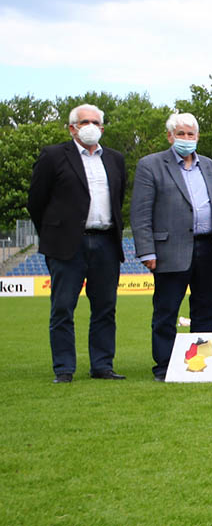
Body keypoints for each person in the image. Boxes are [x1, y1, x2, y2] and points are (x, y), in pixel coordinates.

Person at [131, 113, 212, 381]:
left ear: (198, 137)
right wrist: (146, 250)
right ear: (169, 136)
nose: (186, 139)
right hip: (169, 250)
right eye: (181, 134)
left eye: (191, 134)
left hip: (207, 248)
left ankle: (200, 363)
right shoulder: (150, 165)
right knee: (166, 311)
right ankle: (165, 365)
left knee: (206, 309)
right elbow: (141, 213)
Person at [28, 104, 127, 383]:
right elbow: (37, 201)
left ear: (103, 128)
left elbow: (117, 199)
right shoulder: (53, 156)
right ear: (72, 127)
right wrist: (53, 232)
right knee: (63, 308)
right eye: (85, 121)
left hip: (106, 241)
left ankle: (102, 365)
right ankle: (64, 368)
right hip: (67, 244)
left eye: (96, 122)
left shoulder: (115, 159)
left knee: (105, 308)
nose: (91, 126)